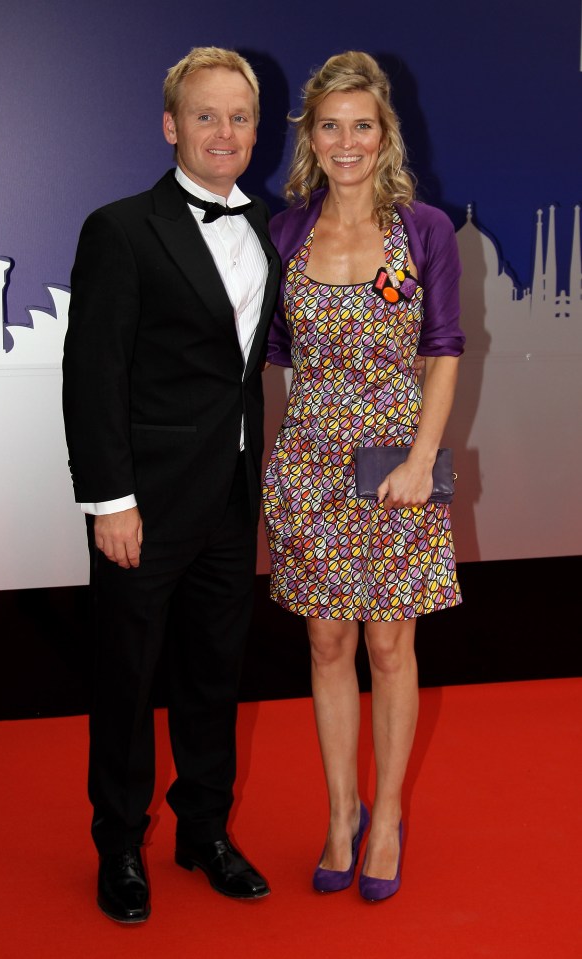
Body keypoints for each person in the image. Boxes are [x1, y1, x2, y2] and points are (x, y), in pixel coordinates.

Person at [62, 46, 280, 923]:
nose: (223, 131)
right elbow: (92, 373)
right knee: (125, 679)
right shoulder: (119, 229)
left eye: (239, 117)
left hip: (230, 499)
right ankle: (118, 844)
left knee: (213, 676)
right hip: (141, 509)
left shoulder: (269, 229)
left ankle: (204, 832)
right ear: (170, 126)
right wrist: (109, 501)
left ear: (255, 130)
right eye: (205, 115)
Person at [263, 51, 464, 902]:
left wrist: (422, 458)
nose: (347, 141)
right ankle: (341, 812)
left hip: (395, 471)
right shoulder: (284, 231)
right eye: (331, 125)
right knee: (326, 640)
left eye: (363, 126)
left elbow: (444, 350)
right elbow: (274, 356)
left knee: (389, 643)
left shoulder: (424, 229)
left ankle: (386, 819)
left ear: (386, 136)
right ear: (310, 136)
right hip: (309, 465)